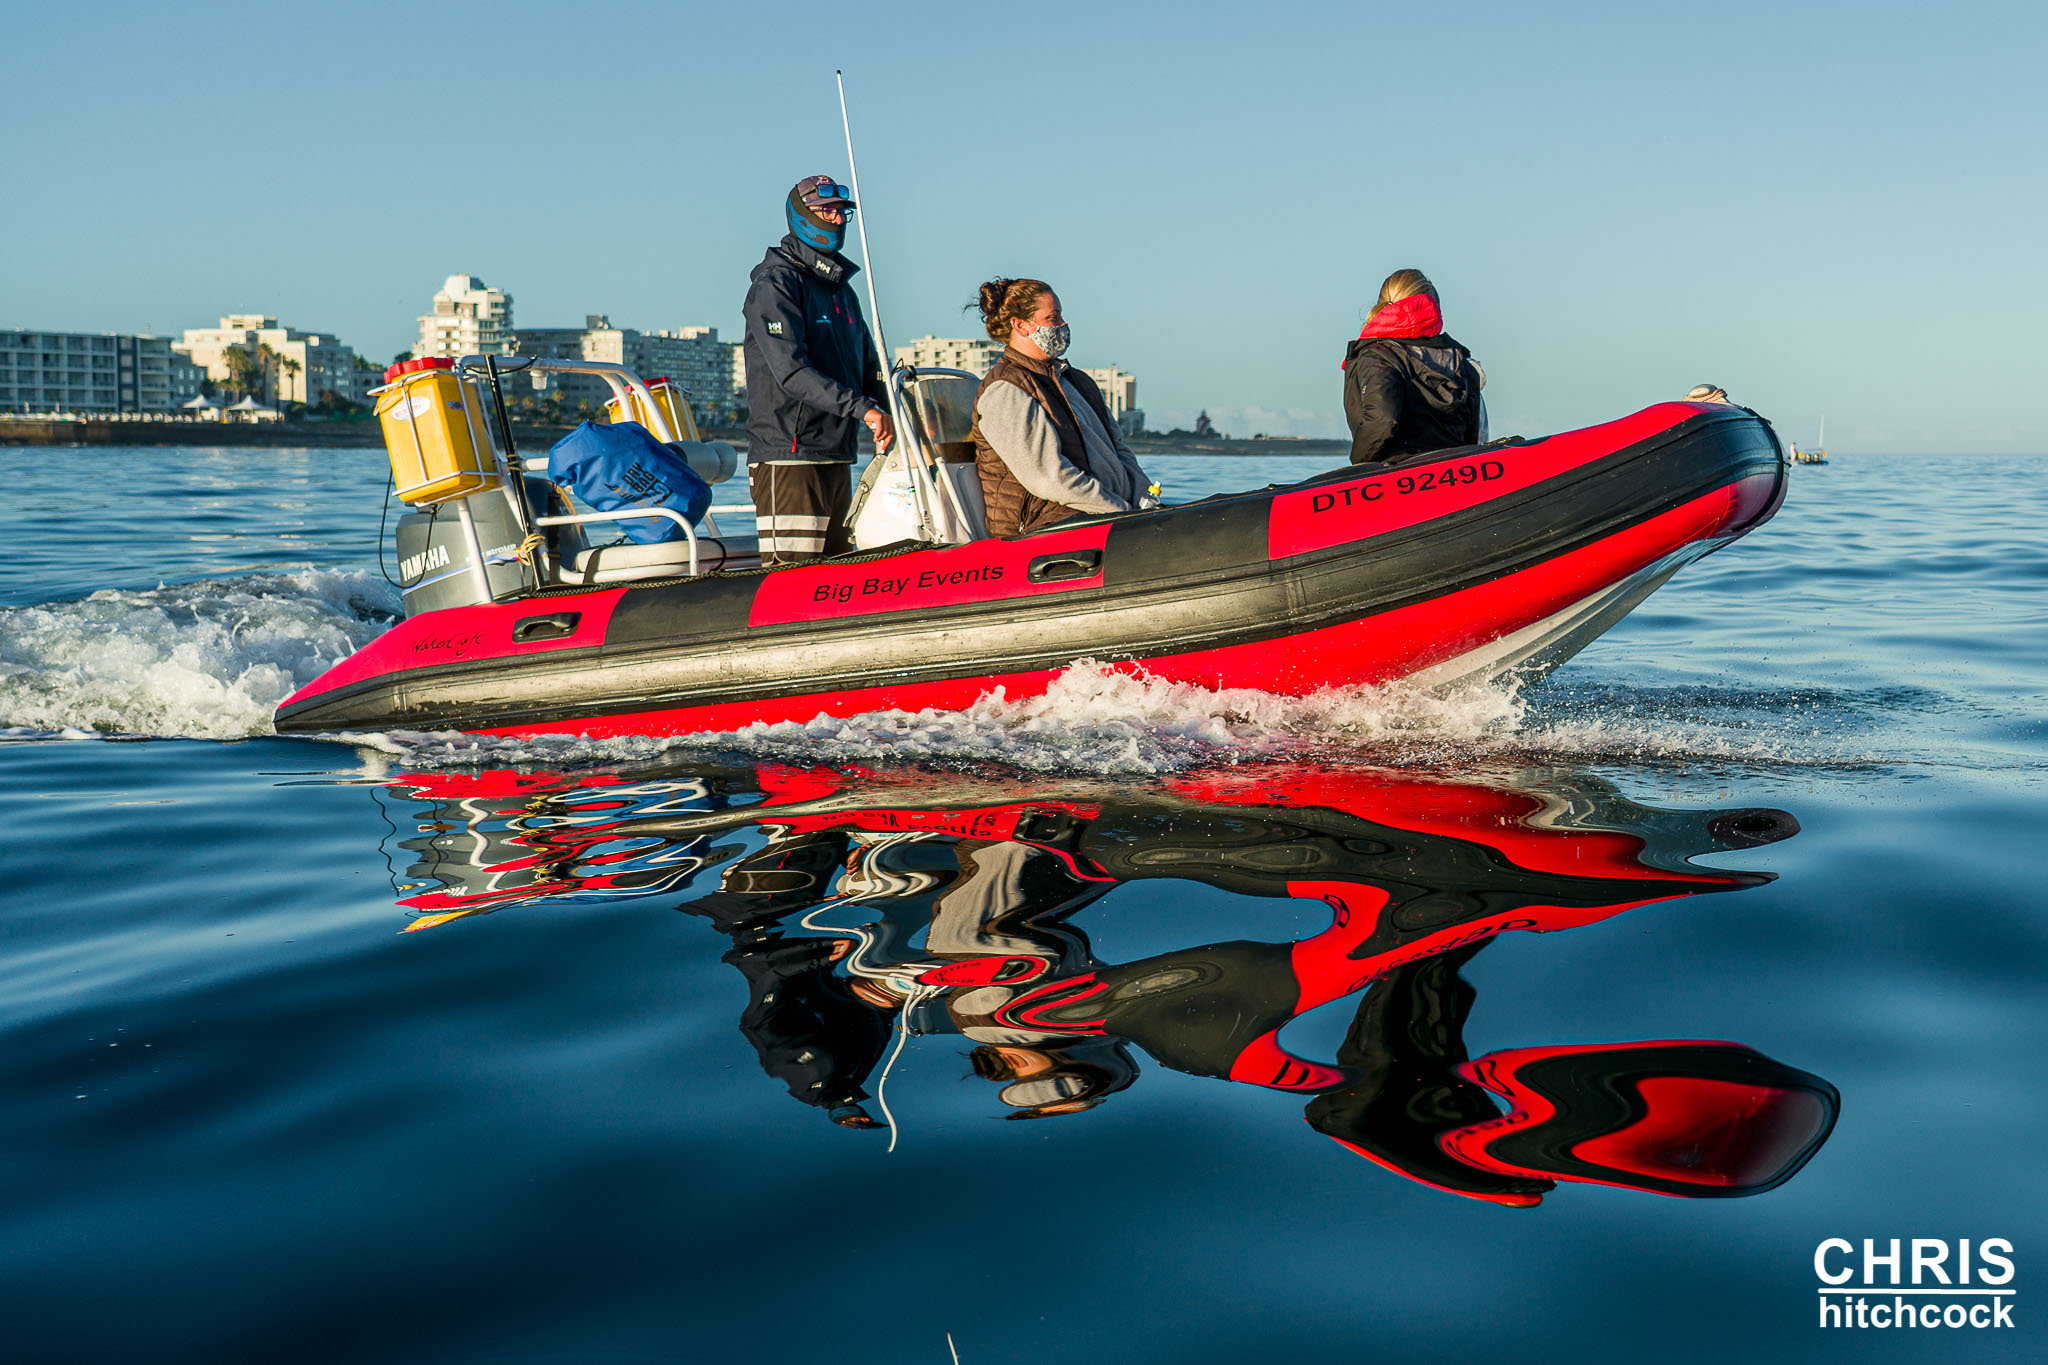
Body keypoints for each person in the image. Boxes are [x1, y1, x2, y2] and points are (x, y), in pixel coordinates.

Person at [741, 174, 895, 564]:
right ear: (802, 214)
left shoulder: (842, 290)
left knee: (840, 571)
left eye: (843, 212)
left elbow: (868, 366)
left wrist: (898, 409)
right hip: (790, 454)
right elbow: (792, 373)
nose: (838, 219)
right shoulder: (776, 284)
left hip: (836, 453)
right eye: (828, 211)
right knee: (794, 577)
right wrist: (863, 409)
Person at [968, 278, 1153, 538]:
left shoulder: (1077, 382)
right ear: (1020, 325)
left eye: (1061, 316)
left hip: (1110, 518)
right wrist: (1119, 512)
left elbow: (1119, 449)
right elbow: (1048, 478)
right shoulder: (1005, 390)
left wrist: (1144, 501)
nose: (1063, 325)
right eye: (1052, 318)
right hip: (1046, 529)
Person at [1342, 268, 1484, 465]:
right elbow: (1473, 433)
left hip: (1394, 471)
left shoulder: (1377, 356)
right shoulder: (1460, 359)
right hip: (1455, 470)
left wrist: (1358, 465)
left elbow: (1383, 419)